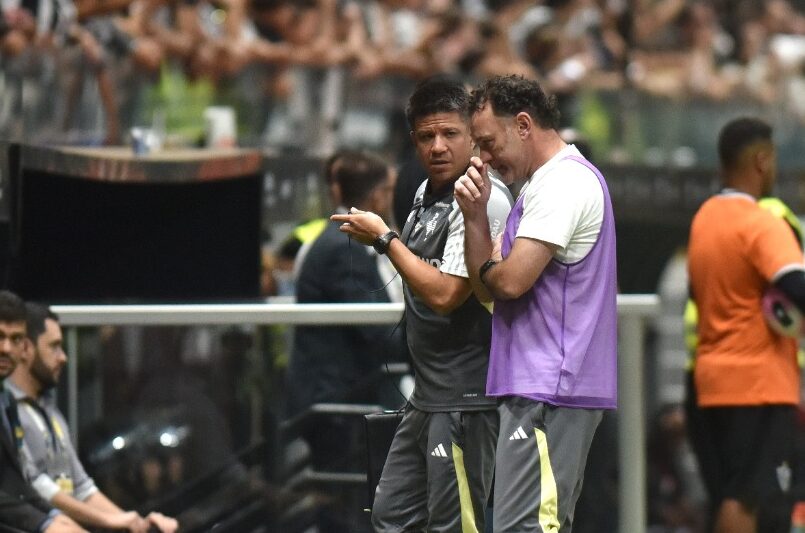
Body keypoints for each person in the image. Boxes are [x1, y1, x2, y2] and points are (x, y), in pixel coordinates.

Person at [332, 75, 513, 533]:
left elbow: (447, 295)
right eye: (427, 136)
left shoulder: (482, 200)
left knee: (454, 527)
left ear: (473, 136)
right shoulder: (424, 195)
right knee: (391, 518)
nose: (438, 146)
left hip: (466, 398)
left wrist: (385, 239)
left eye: (450, 134)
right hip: (427, 396)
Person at [453, 74, 618, 532]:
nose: (484, 158)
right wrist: (475, 222)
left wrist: (491, 260)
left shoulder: (563, 184)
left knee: (530, 528)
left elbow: (508, 282)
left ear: (523, 125)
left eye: (488, 142)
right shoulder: (541, 186)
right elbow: (490, 287)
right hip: (535, 389)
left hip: (553, 388)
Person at [686, 117, 805, 533]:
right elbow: (796, 284)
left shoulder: (705, 219)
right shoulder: (760, 223)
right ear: (761, 160)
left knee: (728, 494)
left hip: (711, 380)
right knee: (746, 496)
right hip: (757, 383)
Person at [284, 149, 405, 533]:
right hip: (339, 402)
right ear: (375, 196)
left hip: (342, 396)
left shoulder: (341, 241)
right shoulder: (345, 248)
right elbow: (378, 327)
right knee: (345, 508)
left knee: (348, 503)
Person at [8, 303, 178, 533]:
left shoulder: (50, 410)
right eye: (55, 347)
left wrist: (135, 523)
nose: (63, 357)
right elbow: (35, 485)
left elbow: (81, 487)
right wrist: (109, 521)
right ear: (27, 349)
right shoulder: (9, 410)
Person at [0, 291, 86, 533]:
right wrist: (44, 523)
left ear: (24, 346)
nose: (6, 348)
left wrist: (55, 517)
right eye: (0, 337)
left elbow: (15, 482)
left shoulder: (5, 400)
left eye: (15, 339)